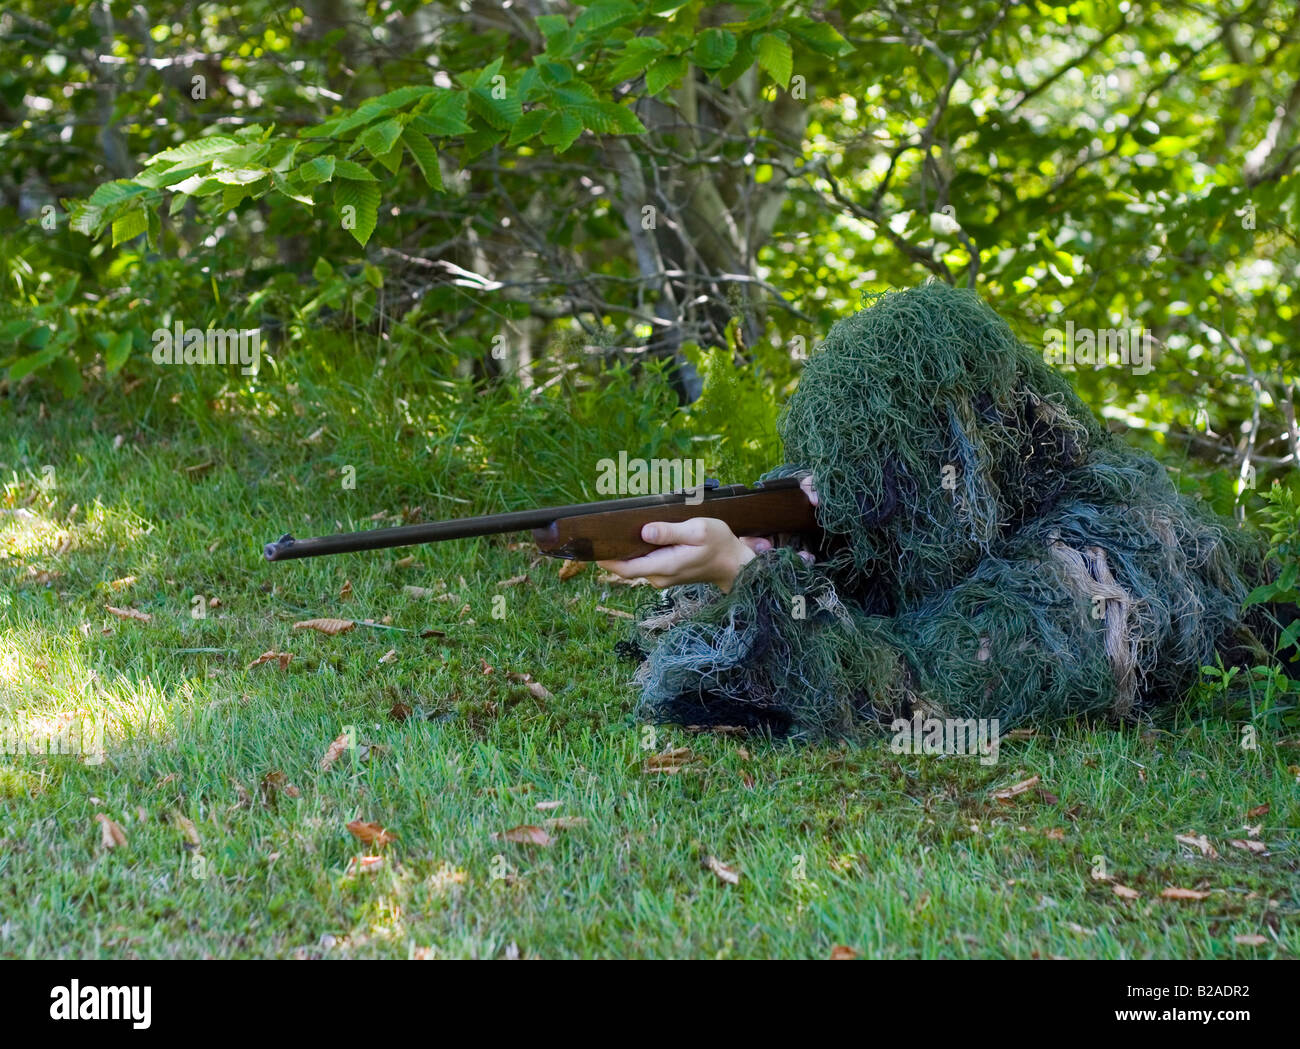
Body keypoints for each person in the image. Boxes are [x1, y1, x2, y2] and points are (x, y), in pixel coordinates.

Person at [597, 283, 1269, 740]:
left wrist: (749, 579)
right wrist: (770, 554)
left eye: (879, 462)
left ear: (964, 449)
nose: (842, 491)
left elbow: (914, 701)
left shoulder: (1095, 560)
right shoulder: (963, 510)